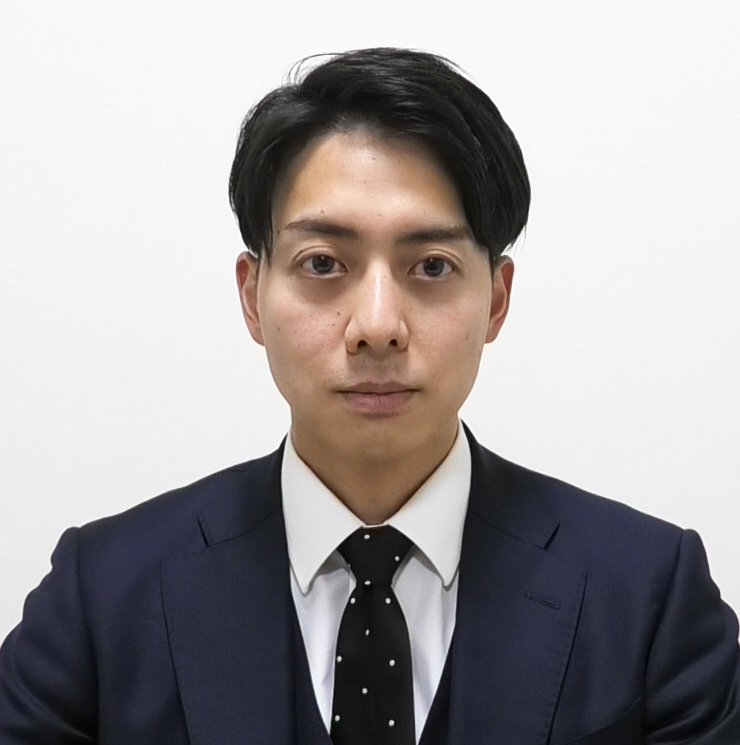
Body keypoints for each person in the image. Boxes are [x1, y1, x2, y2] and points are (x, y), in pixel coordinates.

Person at [0, 47, 738, 745]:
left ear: (496, 300)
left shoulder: (650, 597)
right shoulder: (99, 597)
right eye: (324, 263)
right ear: (252, 297)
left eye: (432, 266)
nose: (378, 325)